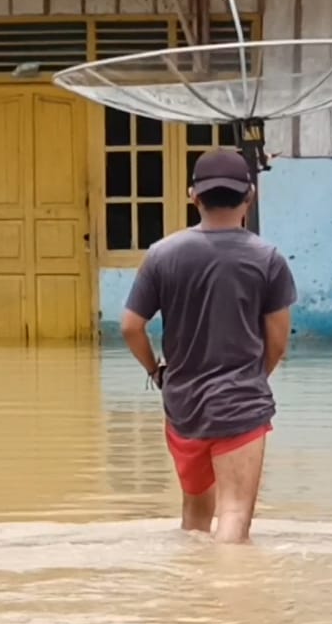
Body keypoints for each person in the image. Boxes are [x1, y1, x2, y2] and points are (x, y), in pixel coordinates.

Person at [119, 149, 297, 544]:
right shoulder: (267, 259)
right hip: (240, 405)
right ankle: (227, 585)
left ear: (193, 196)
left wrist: (156, 372)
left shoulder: (162, 255)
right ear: (249, 197)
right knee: (234, 517)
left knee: (195, 518)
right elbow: (278, 339)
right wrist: (252, 379)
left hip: (182, 406)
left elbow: (131, 327)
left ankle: (191, 582)